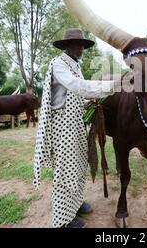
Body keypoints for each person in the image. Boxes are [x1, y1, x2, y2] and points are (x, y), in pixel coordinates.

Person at [33, 28, 120, 228]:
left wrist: (92, 103)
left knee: (79, 167)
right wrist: (115, 84)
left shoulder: (75, 66)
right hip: (62, 126)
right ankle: (63, 220)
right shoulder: (58, 65)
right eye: (77, 44)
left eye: (82, 45)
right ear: (66, 46)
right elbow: (79, 87)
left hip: (77, 124)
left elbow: (79, 95)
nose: (81, 48)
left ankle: (75, 204)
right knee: (65, 172)